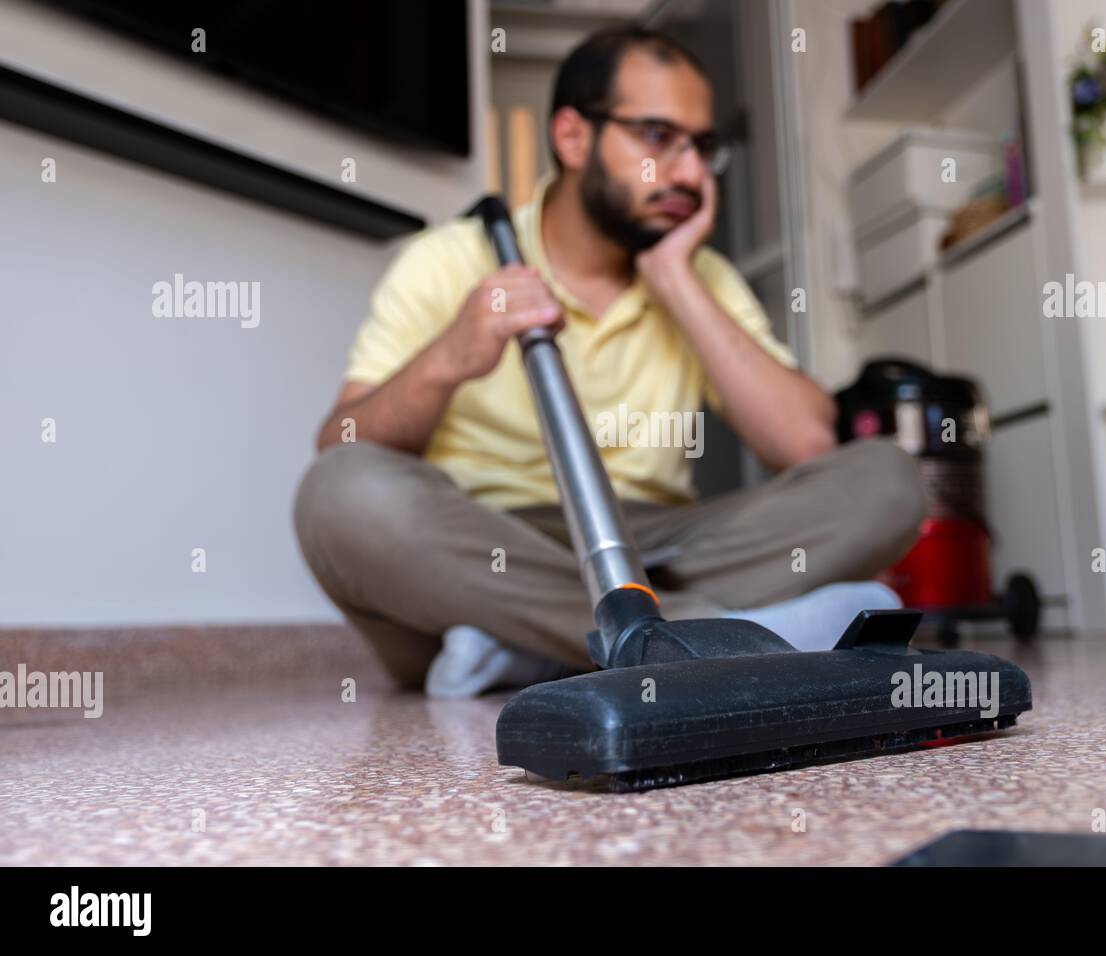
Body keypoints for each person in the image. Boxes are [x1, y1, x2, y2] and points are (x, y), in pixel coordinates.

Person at [294, 26, 924, 697]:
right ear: (573, 137)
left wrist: (676, 279)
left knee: (887, 479)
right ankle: (720, 632)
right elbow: (342, 442)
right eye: (657, 138)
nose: (687, 172)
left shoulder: (701, 275)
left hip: (658, 543)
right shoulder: (449, 259)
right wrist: (450, 356)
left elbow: (806, 442)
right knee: (340, 497)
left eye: (701, 147)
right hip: (489, 547)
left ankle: (541, 649)